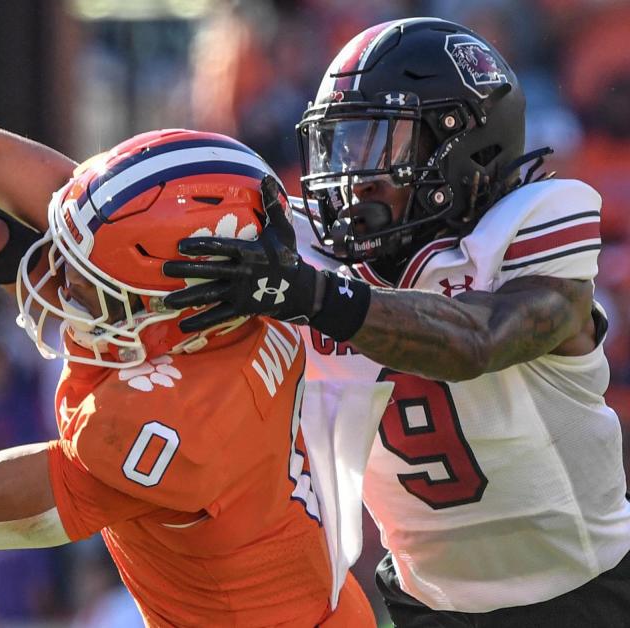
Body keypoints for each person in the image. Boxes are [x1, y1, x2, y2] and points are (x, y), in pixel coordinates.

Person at [0, 127, 376, 626]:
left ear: (176, 300)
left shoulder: (161, 429)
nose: (65, 285)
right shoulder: (250, 298)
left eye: (88, 282)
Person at [160, 17, 630, 626]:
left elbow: (474, 341)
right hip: (425, 603)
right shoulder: (311, 257)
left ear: (464, 145)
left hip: (583, 596)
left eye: (377, 144)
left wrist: (317, 297)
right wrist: (1, 194)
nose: (352, 177)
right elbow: (130, 212)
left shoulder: (533, 227)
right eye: (341, 144)